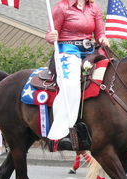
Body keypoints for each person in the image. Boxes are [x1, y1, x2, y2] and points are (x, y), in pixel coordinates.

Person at [45, 0, 110, 144]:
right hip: (67, 50)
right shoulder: (62, 7)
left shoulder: (94, 7)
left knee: (111, 78)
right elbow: (50, 34)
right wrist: (51, 37)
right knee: (71, 85)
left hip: (90, 51)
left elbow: (99, 33)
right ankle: (62, 133)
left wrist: (103, 39)